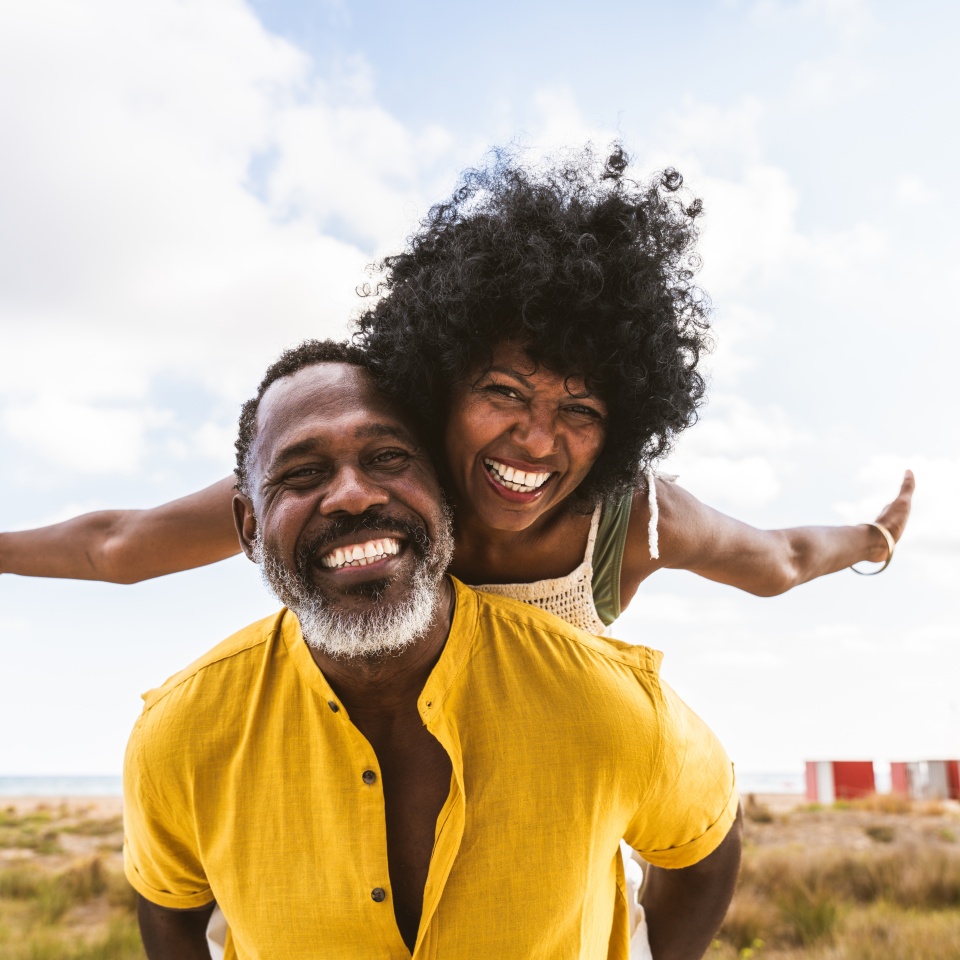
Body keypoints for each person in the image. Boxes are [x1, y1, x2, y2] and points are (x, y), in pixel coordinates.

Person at [0, 145, 913, 631]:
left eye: (580, 411)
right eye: (507, 392)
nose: (536, 440)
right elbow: (116, 545)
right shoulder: (367, 489)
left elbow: (783, 560)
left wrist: (872, 537)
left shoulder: (630, 521)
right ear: (441, 377)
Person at [124, 341, 742, 960]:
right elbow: (170, 913)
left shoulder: (611, 705)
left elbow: (705, 847)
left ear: (442, 491)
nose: (352, 495)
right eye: (303, 473)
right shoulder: (179, 733)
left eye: (389, 457)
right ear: (249, 528)